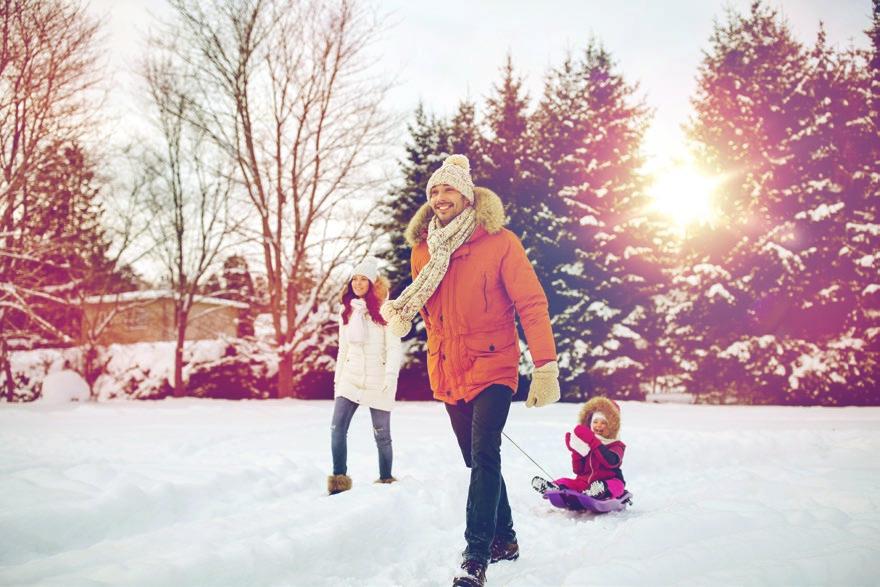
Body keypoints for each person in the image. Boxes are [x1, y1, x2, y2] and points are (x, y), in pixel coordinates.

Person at [380, 154, 560, 587]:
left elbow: (531, 304)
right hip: (448, 369)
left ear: (467, 195)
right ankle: (506, 540)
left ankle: (475, 557)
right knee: (476, 459)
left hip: (494, 364)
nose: (440, 197)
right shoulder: (423, 251)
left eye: (448, 190)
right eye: (434, 191)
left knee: (484, 456)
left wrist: (545, 367)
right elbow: (430, 308)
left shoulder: (499, 242)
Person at [328, 257, 402, 495]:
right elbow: (343, 348)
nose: (358, 284)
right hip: (350, 379)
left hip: (378, 381)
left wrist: (390, 378)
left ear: (372, 283)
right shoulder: (346, 311)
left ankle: (386, 479)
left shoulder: (385, 310)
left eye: (363, 279)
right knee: (337, 428)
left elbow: (393, 348)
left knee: (382, 436)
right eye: (354, 279)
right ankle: (339, 480)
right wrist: (338, 381)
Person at [532, 396, 626, 500]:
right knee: (569, 482)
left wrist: (593, 441)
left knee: (615, 485)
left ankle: (599, 491)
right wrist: (576, 451)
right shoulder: (585, 442)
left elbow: (611, 462)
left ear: (612, 426)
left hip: (609, 480)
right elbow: (579, 471)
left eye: (603, 423)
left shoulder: (617, 445)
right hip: (585, 483)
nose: (598, 426)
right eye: (595, 422)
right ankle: (553, 488)